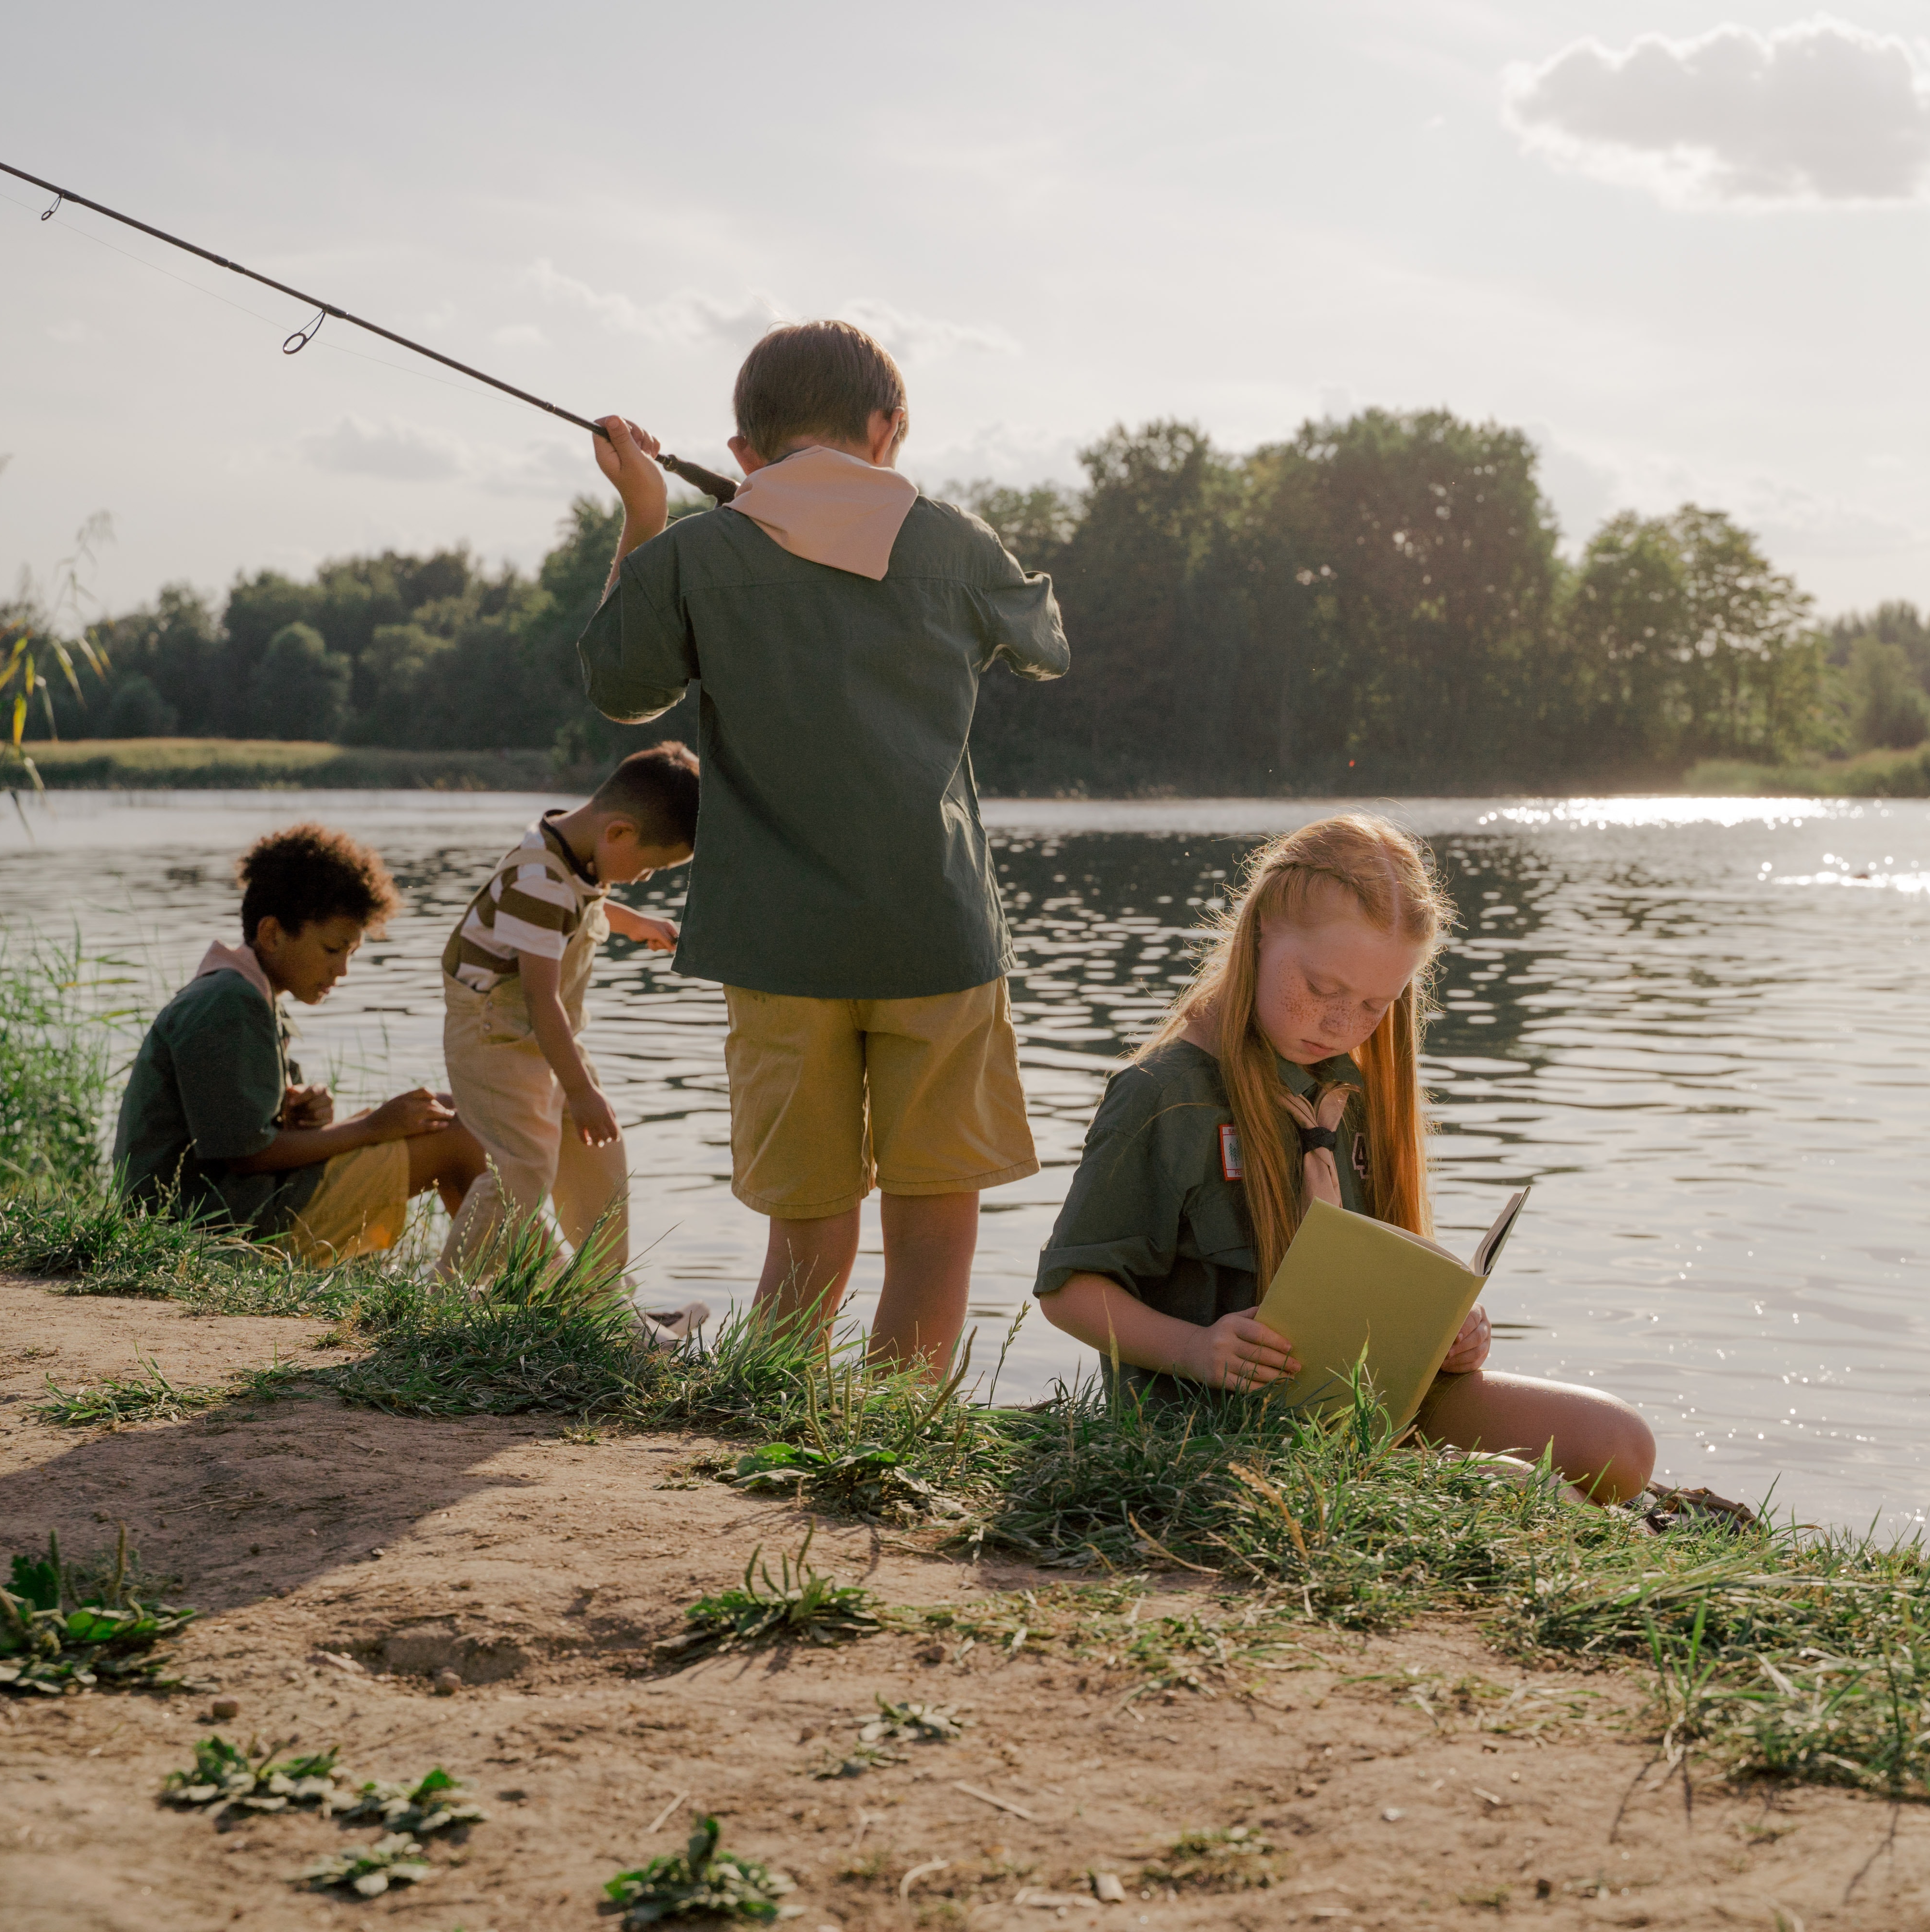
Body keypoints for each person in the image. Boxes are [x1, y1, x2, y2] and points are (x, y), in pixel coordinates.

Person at [577, 319, 1068, 1372]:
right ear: (889, 429)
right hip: (935, 935)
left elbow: (620, 686)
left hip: (776, 944)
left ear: (743, 451)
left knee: (806, 1226)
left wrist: (649, 515)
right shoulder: (955, 541)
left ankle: (776, 1404)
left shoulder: (695, 554)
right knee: (934, 1221)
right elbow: (1045, 646)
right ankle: (898, 1425)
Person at [1032, 814, 1657, 1504]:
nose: (1341, 1023)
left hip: (1364, 1403)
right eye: (1322, 989)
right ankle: (1420, 1485)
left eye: (1374, 1004)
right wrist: (1195, 1350)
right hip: (1218, 1424)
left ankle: (1410, 1467)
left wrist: (1446, 1333)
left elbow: (1379, 1275)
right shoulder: (1162, 1096)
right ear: (1259, 933)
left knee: (1620, 1445)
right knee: (1521, 1491)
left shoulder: (1349, 1090)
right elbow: (1068, 1292)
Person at [113, 824, 484, 1263]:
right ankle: (523, 1288)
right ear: (272, 934)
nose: (342, 971)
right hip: (211, 1232)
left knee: (448, 1110)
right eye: (332, 949)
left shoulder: (246, 993)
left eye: (351, 954)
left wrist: (295, 1115)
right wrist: (371, 1127)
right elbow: (247, 1155)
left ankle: (501, 1281)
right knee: (458, 1135)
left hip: (235, 1209)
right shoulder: (228, 1002)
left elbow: (238, 1128)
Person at [439, 742, 695, 1293]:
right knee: (522, 1170)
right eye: (650, 866)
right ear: (619, 832)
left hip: (543, 1036)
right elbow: (540, 997)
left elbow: (582, 906)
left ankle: (599, 1300)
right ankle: (446, 1293)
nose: (644, 877)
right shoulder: (538, 878)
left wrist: (633, 922)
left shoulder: (572, 852)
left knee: (600, 1158)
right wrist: (579, 1091)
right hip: (494, 1037)